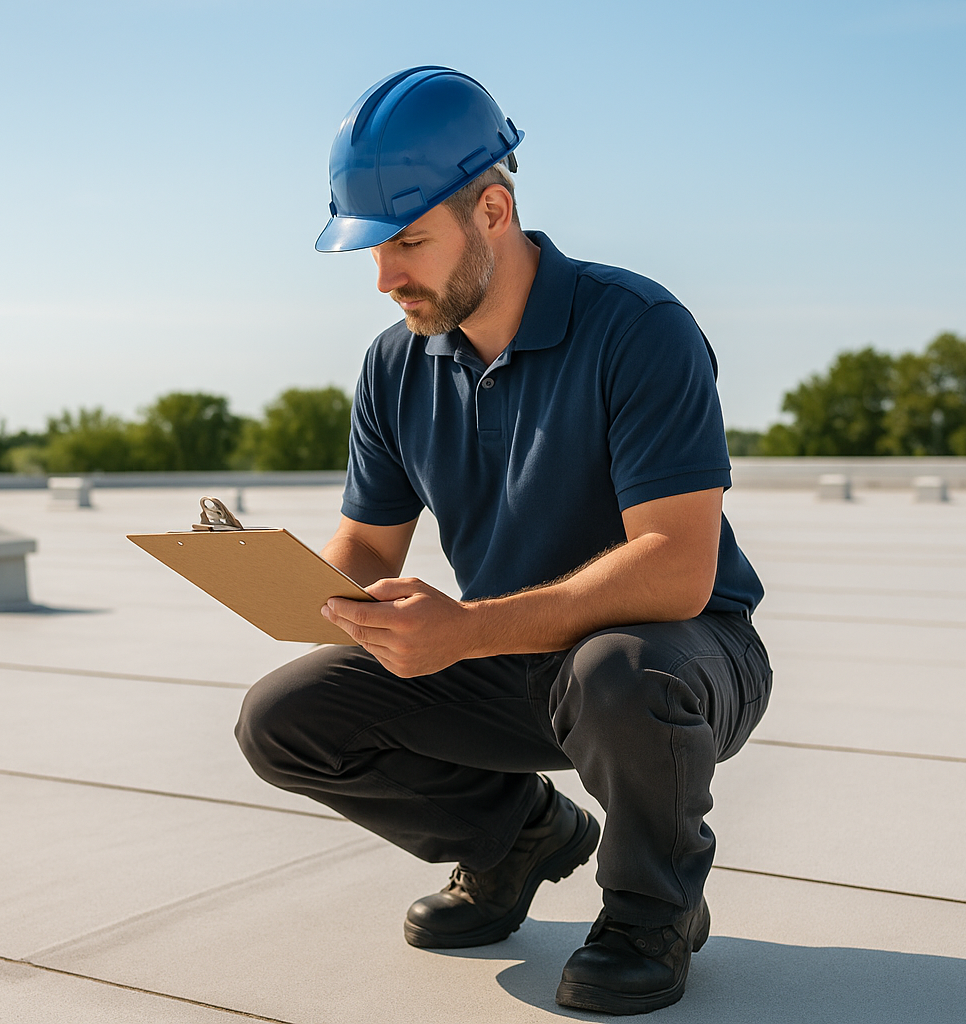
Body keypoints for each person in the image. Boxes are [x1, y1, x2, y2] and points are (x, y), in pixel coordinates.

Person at [234, 66, 772, 1016]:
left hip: (682, 658)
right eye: (371, 249)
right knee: (283, 717)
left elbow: (678, 569)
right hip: (509, 658)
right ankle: (513, 838)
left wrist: (466, 630)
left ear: (493, 209)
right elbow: (367, 546)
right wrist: (283, 585)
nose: (385, 275)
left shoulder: (639, 329)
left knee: (615, 673)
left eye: (407, 242)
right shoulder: (396, 361)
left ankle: (654, 909)